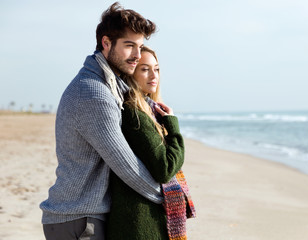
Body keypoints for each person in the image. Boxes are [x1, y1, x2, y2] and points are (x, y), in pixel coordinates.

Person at [39, 3, 163, 240]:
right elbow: (126, 165)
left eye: (139, 46)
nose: (137, 55)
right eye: (129, 46)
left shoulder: (110, 85)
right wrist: (166, 195)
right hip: (77, 219)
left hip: (83, 216)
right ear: (106, 43)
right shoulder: (93, 93)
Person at [107, 46, 196, 240]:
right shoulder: (134, 114)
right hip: (139, 221)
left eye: (156, 69)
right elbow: (165, 168)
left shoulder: (149, 111)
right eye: (145, 69)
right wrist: (173, 127)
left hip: (142, 216)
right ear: (131, 73)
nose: (153, 75)